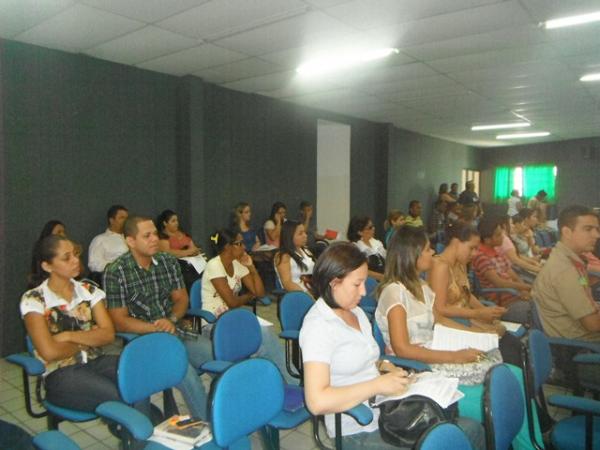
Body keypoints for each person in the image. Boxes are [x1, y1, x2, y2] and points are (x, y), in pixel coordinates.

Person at [299, 242, 485, 450]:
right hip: (358, 429)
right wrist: (378, 385)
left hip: (385, 410)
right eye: (357, 284)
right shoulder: (318, 326)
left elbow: (364, 359)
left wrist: (389, 369)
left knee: (471, 429)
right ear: (334, 282)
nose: (363, 291)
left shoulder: (356, 313)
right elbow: (317, 402)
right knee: (449, 440)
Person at [103, 216, 209, 419]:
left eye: (155, 234)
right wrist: (157, 328)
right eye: (147, 235)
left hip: (176, 330)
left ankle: (234, 411)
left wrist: (171, 319)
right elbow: (119, 320)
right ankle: (212, 430)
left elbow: (181, 299)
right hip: (145, 341)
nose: (154, 239)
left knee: (217, 357)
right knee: (188, 377)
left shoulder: (167, 261)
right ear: (130, 241)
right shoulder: (116, 272)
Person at [21, 235, 118, 412]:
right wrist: (86, 342)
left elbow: (108, 335)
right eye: (67, 258)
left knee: (138, 379)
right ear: (47, 266)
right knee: (116, 394)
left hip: (95, 362)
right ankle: (135, 433)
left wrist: (68, 336)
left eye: (75, 254)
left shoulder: (89, 290)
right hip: (60, 374)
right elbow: (49, 352)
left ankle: (157, 434)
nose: (75, 261)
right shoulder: (34, 299)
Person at [202, 228, 295, 384]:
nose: (244, 247)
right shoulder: (214, 265)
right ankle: (286, 380)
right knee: (263, 337)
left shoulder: (237, 264)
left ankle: (281, 380)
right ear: (227, 247)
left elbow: (259, 293)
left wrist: (251, 268)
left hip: (233, 318)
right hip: (213, 324)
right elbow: (232, 302)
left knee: (266, 333)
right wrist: (247, 296)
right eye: (239, 243)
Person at [429, 222, 523, 365]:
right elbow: (440, 309)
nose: (474, 254)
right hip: (451, 326)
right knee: (508, 348)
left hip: (466, 319)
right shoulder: (440, 266)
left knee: (513, 344)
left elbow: (466, 294)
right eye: (471, 248)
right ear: (456, 242)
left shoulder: (460, 263)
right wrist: (477, 314)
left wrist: (485, 310)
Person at [533, 205, 600, 342]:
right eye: (588, 229)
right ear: (567, 232)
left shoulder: (570, 260)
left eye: (597, 229)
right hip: (581, 344)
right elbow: (593, 324)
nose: (597, 235)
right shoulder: (565, 270)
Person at [472, 216, 532, 324]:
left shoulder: (497, 251)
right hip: (503, 302)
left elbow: (512, 273)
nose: (503, 237)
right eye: (498, 235)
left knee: (544, 304)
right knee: (538, 311)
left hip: (515, 295)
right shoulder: (480, 257)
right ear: (487, 240)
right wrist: (527, 287)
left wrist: (523, 290)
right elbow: (500, 283)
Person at [274, 221, 315, 294]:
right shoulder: (283, 256)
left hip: (312, 288)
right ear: (289, 237)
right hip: (297, 293)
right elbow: (287, 283)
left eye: (305, 232)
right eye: (300, 233)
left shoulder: (305, 250)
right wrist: (307, 296)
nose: (305, 235)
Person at [88, 205, 129, 273]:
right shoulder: (100, 239)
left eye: (127, 218)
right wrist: (118, 267)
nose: (126, 221)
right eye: (122, 218)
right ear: (112, 220)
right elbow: (94, 264)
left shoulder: (132, 238)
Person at [347, 216, 386, 281]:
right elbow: (359, 270)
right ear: (360, 232)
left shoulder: (377, 243)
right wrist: (382, 277)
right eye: (370, 227)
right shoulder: (354, 248)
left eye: (373, 226)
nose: (374, 228)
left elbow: (387, 259)